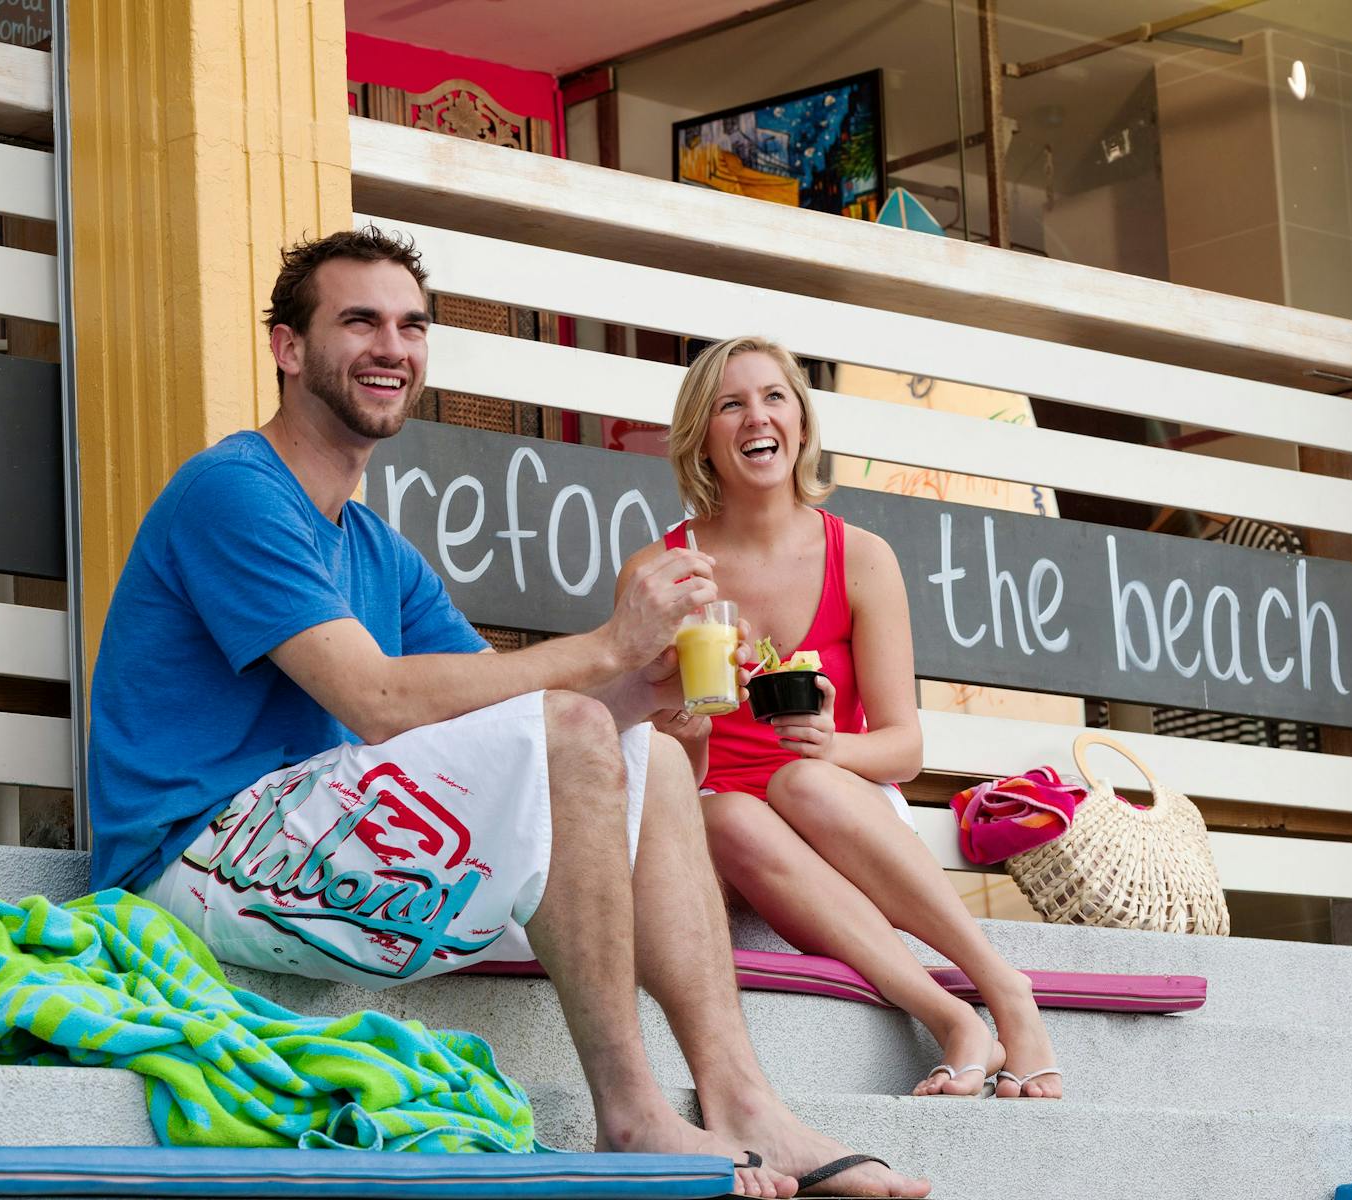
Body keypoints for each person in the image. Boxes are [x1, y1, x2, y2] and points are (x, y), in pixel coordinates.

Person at [85, 228, 932, 1199]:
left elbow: (513, 714)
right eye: (358, 320)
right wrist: (610, 649)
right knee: (578, 728)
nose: (391, 346)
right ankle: (632, 1116)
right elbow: (377, 699)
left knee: (639, 752)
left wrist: (655, 696)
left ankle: (741, 1100)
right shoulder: (234, 491)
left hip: (315, 841)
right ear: (288, 347)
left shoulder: (373, 547)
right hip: (188, 853)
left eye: (410, 326)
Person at [618, 336, 1062, 1101]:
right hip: (717, 820)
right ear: (703, 437)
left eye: (774, 397)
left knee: (802, 784)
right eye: (731, 404)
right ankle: (950, 1016)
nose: (757, 417)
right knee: (727, 817)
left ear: (800, 420)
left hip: (838, 800)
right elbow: (644, 750)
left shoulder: (861, 556)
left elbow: (905, 748)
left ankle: (1005, 989)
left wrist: (831, 745)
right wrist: (683, 731)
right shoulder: (659, 572)